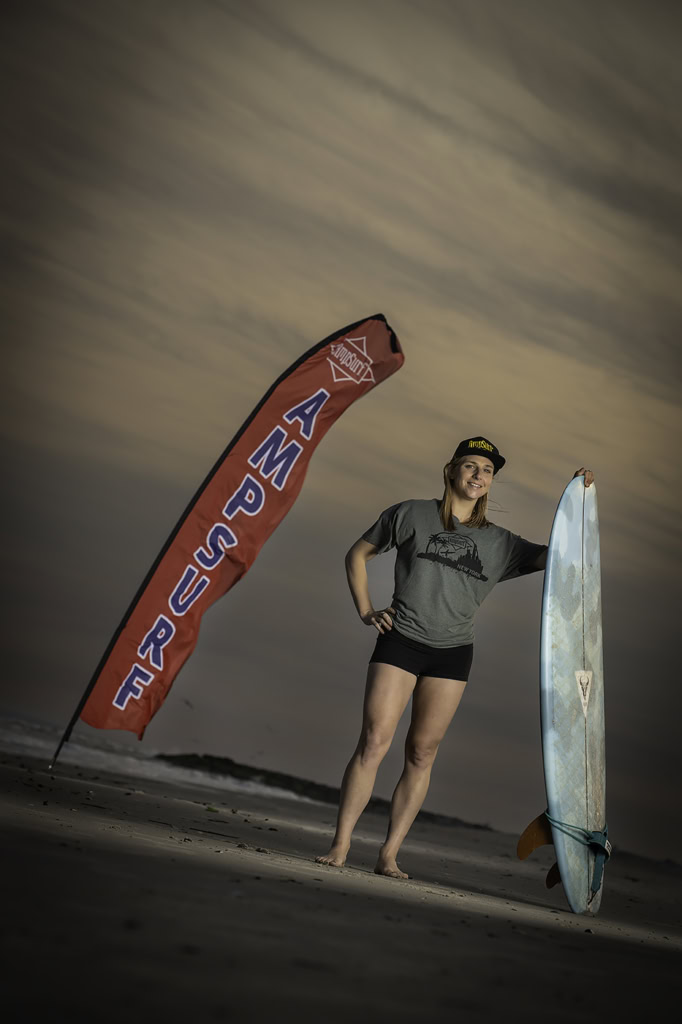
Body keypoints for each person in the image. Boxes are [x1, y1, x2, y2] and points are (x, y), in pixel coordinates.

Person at [316, 436, 594, 879]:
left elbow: (561, 555)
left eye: (486, 471)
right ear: (451, 470)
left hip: (453, 654)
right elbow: (357, 554)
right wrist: (366, 610)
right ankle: (340, 844)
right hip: (400, 641)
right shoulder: (410, 513)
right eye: (469, 466)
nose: (478, 476)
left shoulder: (500, 543)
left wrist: (580, 501)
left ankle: (388, 854)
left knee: (422, 753)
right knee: (374, 741)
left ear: (490, 482)